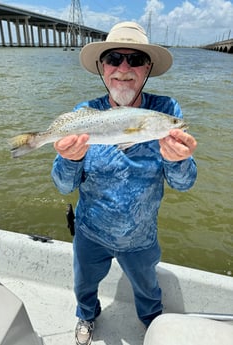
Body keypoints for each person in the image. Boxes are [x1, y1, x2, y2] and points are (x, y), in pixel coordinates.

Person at [51, 21, 197, 345]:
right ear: (102, 67)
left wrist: (178, 160)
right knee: (83, 284)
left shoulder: (166, 111)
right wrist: (69, 158)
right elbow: (63, 185)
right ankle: (86, 315)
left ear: (148, 68)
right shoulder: (83, 114)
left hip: (142, 236)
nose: (123, 69)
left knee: (148, 289)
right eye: (114, 58)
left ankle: (153, 326)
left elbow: (184, 183)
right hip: (91, 232)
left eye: (135, 60)